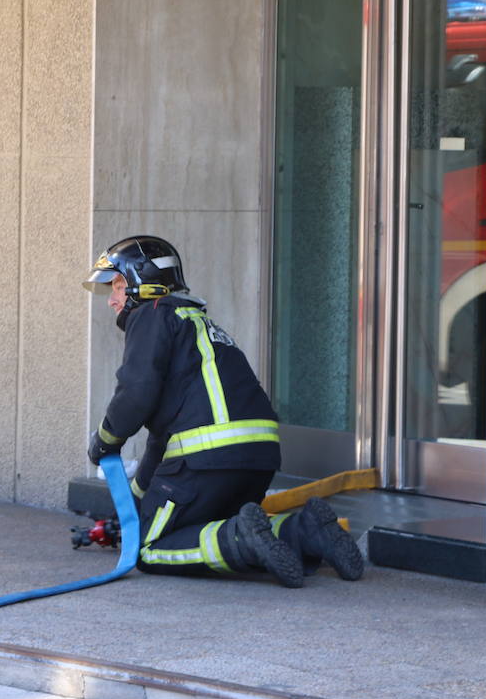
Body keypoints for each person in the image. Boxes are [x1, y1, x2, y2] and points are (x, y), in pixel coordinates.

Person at [82, 236, 364, 587]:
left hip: (205, 461)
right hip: (256, 459)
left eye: (119, 286)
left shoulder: (151, 316)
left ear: (144, 282)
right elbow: (161, 442)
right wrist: (133, 505)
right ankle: (305, 530)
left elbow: (135, 393)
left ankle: (243, 541)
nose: (111, 300)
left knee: (149, 548)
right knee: (213, 527)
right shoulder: (198, 325)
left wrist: (105, 440)